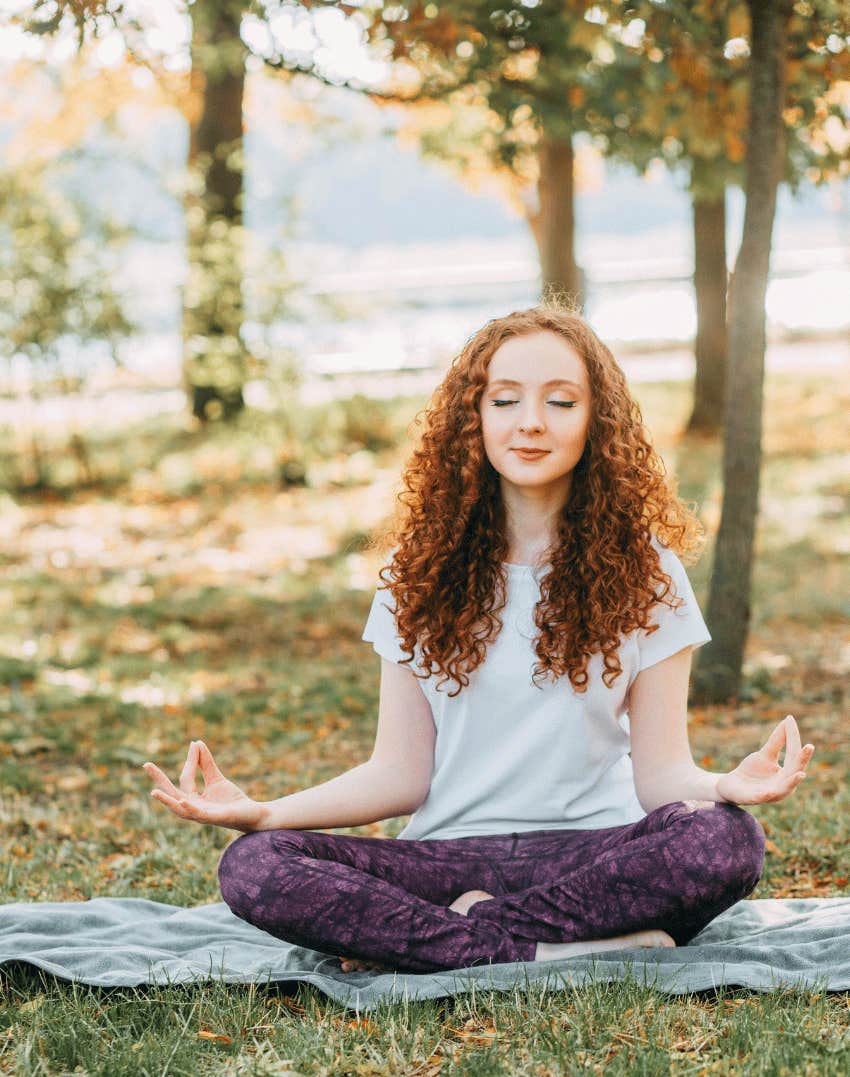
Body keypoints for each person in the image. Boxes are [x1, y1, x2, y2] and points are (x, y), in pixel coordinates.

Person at [143, 304, 814, 975]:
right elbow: (398, 774)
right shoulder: (418, 575)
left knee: (724, 841)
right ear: (475, 419)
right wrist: (264, 813)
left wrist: (724, 784)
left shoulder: (647, 571)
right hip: (445, 858)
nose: (530, 422)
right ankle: (559, 948)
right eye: (505, 399)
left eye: (560, 401)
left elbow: (662, 775)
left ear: (596, 422)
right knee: (255, 865)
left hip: (596, 858)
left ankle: (467, 937)